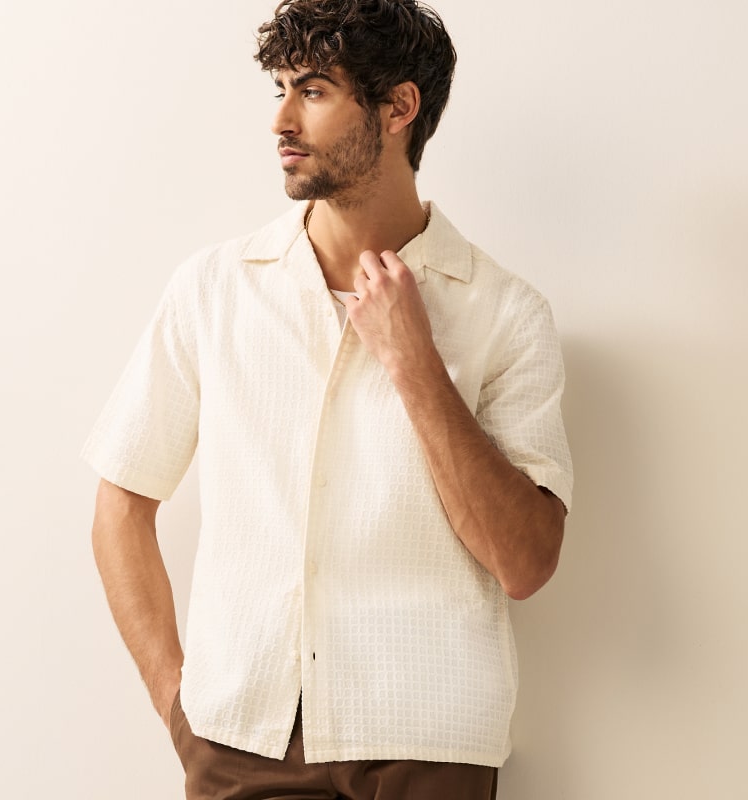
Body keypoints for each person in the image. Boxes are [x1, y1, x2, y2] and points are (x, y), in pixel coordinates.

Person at [82, 1, 573, 797]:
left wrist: (416, 364)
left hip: (430, 745)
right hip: (241, 740)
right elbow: (121, 504)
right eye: (280, 89)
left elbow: (525, 563)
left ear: (398, 107)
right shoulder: (214, 290)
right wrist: (179, 704)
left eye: (312, 91)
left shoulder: (507, 313)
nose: (281, 119)